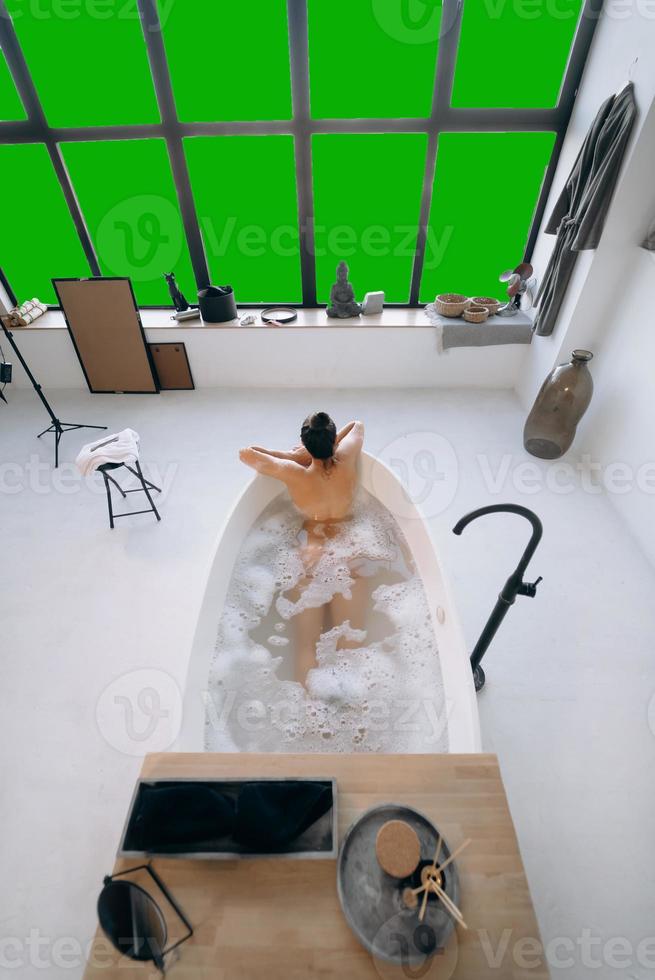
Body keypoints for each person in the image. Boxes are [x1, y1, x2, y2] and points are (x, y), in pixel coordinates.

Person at [239, 414, 366, 682]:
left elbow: (246, 454)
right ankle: (356, 715)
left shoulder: (293, 473)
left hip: (312, 556)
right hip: (348, 554)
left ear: (305, 443)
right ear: (333, 440)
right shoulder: (347, 457)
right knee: (349, 646)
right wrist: (332, 445)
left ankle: (310, 719)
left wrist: (292, 455)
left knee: (308, 647)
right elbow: (357, 425)